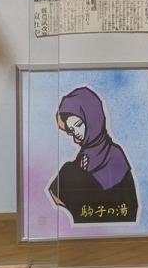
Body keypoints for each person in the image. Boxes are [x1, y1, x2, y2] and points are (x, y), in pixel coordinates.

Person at [48, 86, 138, 223]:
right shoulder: (83, 156)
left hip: (114, 219)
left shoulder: (115, 154)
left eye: (78, 124)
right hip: (86, 221)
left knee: (68, 170)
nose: (76, 133)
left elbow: (128, 205)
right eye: (71, 130)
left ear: (92, 118)